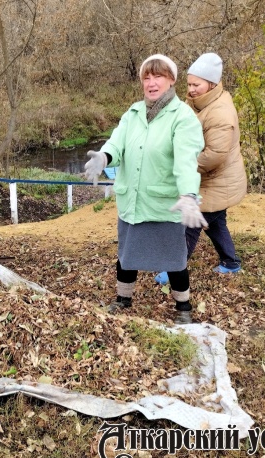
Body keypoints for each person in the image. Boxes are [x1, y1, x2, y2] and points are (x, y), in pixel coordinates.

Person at [84, 54, 207, 324]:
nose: (151, 83)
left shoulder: (183, 117)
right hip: (132, 201)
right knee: (127, 254)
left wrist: (188, 194)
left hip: (164, 204)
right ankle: (122, 299)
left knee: (174, 259)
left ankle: (183, 308)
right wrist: (104, 157)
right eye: (147, 77)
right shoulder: (134, 113)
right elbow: (117, 143)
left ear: (172, 80)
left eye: (158, 76)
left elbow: (186, 160)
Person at [154, 53, 246, 285]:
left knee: (188, 225)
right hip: (209, 181)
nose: (191, 89)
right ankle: (231, 262)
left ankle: (174, 270)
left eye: (197, 84)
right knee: (215, 224)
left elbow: (215, 155)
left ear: (212, 84)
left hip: (215, 181)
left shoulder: (220, 113)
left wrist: (181, 166)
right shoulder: (199, 103)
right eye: (190, 83)